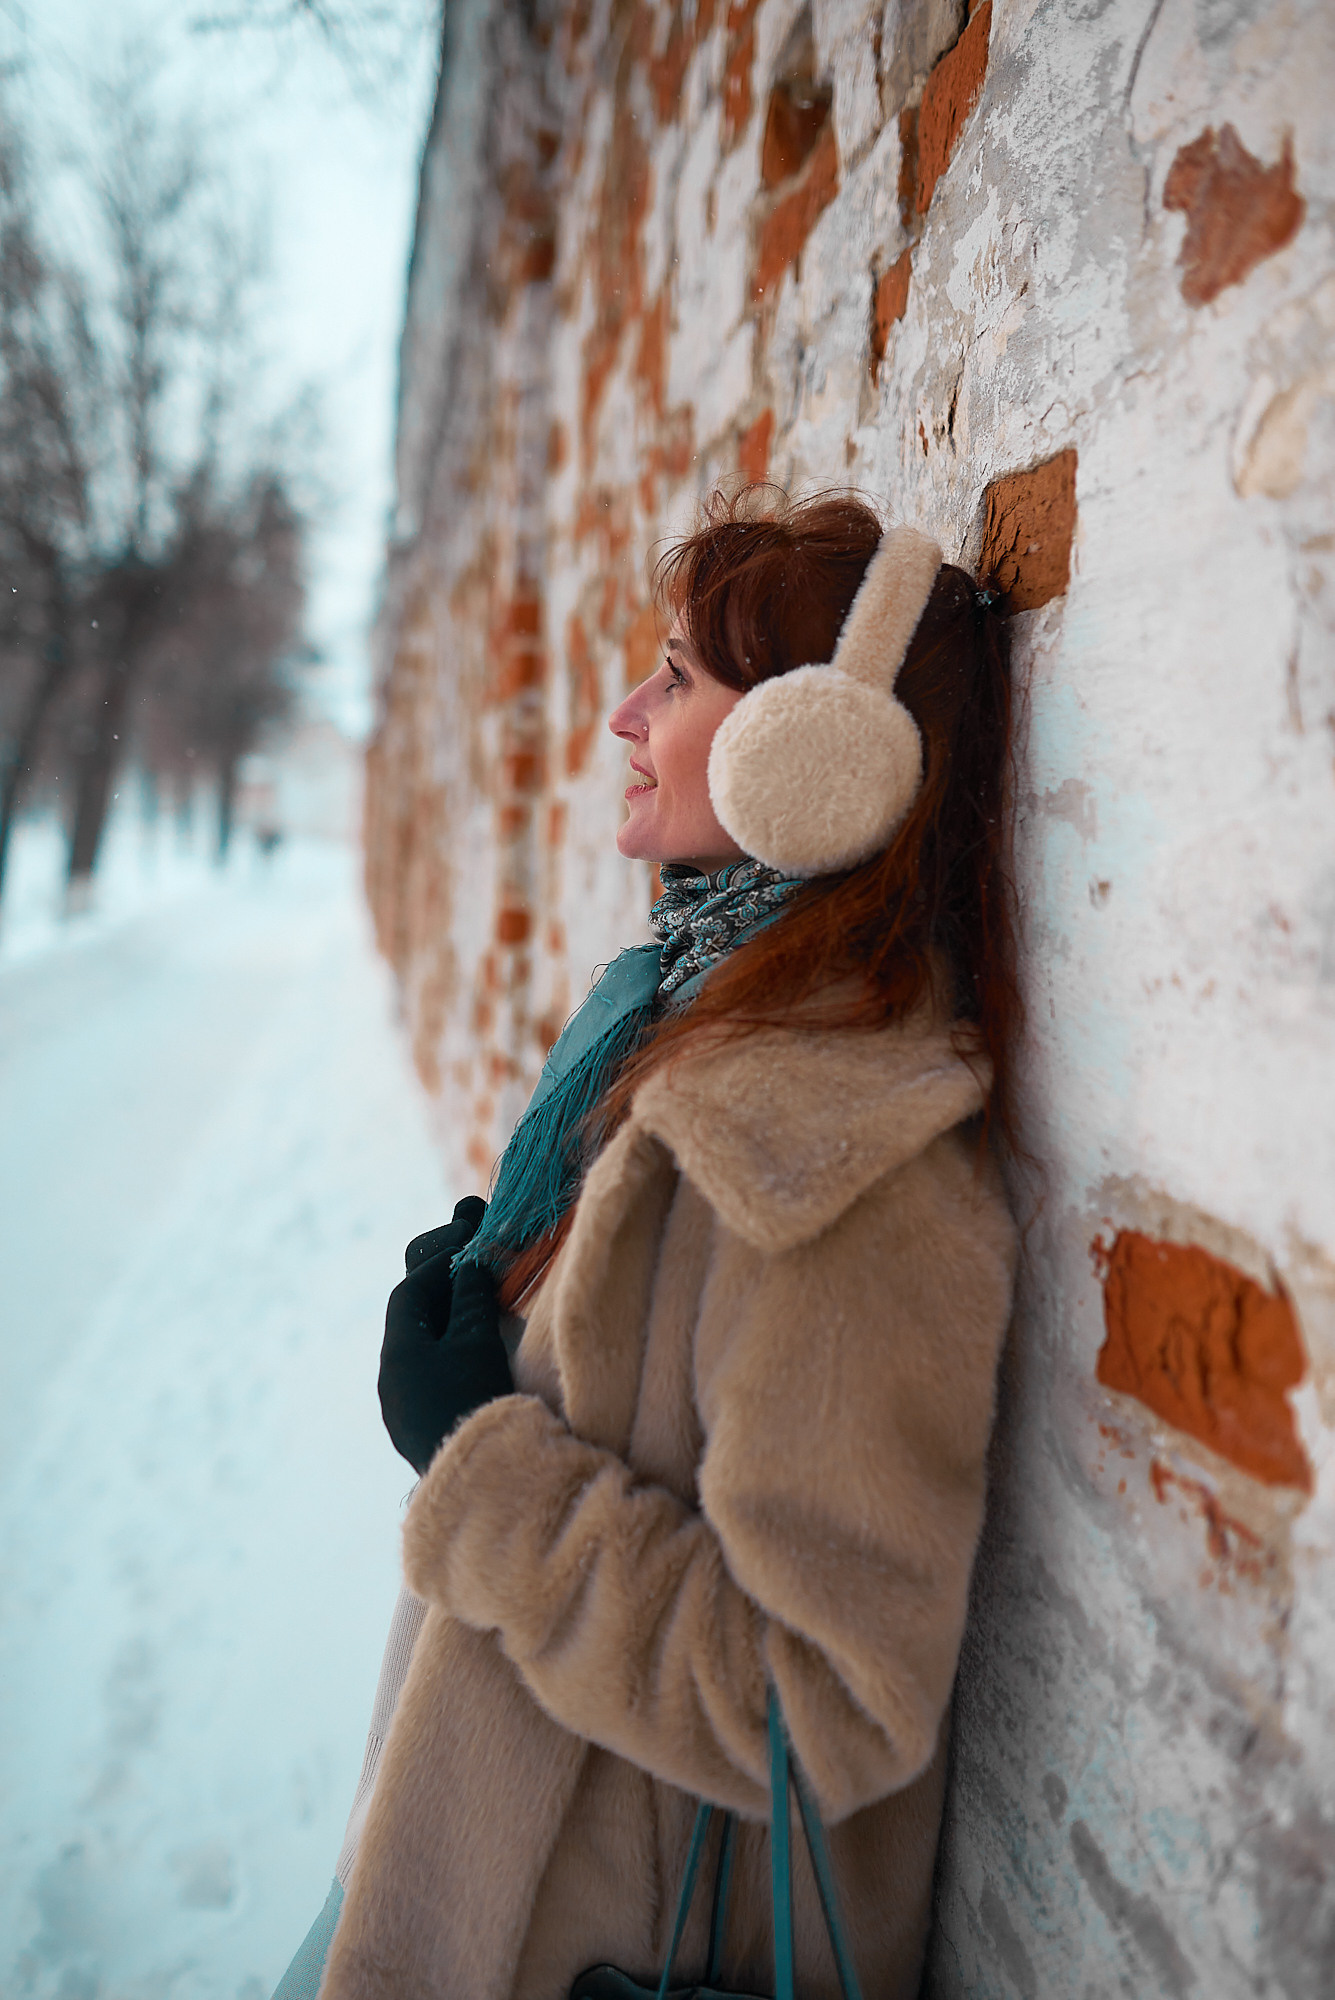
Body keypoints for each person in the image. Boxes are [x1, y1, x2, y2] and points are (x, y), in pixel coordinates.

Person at [272, 485, 1019, 1999]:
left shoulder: (837, 1170)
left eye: (676, 679)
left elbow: (828, 1711)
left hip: (577, 1950)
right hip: (454, 1853)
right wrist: (512, 1322)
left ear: (811, 753)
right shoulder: (680, 1033)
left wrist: (481, 1457)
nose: (623, 713)